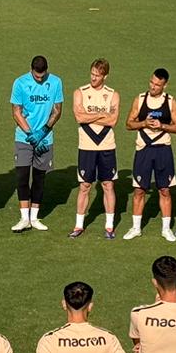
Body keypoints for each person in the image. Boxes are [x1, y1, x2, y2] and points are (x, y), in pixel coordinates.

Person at [124, 68, 176, 242]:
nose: (153, 86)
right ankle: (136, 228)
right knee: (139, 190)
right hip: (144, 149)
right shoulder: (140, 99)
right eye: (152, 82)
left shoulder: (170, 102)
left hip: (163, 148)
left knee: (164, 190)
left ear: (165, 85)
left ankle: (166, 229)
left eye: (157, 84)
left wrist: (161, 126)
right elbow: (128, 124)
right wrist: (144, 123)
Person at [10, 55, 64, 232]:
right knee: (22, 176)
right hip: (23, 137)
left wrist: (43, 132)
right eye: (36, 76)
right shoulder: (20, 83)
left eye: (42, 76)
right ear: (31, 70)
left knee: (40, 178)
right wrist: (31, 133)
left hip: (46, 139)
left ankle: (34, 218)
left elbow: (57, 110)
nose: (39, 79)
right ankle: (24, 218)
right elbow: (16, 112)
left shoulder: (56, 82)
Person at [70, 58, 121, 239]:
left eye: (97, 75)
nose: (93, 78)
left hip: (107, 146)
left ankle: (109, 226)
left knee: (107, 184)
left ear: (105, 76)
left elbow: (113, 121)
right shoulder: (80, 92)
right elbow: (79, 117)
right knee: (84, 185)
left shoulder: (113, 95)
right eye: (92, 74)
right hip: (86, 146)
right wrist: (101, 114)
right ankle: (78, 225)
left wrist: (89, 115)